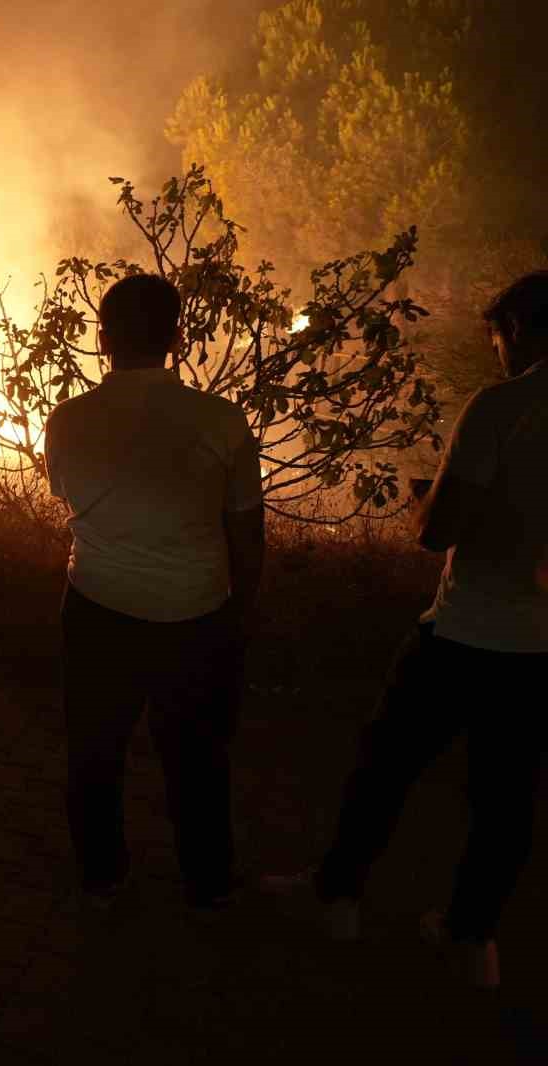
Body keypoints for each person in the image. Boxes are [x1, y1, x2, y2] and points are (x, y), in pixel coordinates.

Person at [263, 272, 548, 989]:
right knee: (506, 804)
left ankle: (338, 898)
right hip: (541, 652)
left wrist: (425, 503)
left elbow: (440, 531)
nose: (495, 359)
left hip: (466, 633)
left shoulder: (505, 408)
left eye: (495, 342)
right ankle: (472, 940)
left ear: (517, 328)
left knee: (383, 768)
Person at [43, 272, 266, 910]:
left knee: (94, 751)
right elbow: (247, 534)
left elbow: (66, 497)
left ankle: (102, 878)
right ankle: (208, 882)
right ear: (177, 337)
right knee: (197, 759)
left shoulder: (68, 420)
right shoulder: (222, 422)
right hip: (196, 614)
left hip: (96, 607)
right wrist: (239, 616)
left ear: (103, 339)